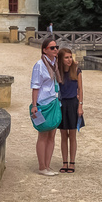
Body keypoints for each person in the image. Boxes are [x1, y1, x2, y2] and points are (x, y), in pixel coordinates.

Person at [30, 38, 64, 175]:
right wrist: (34, 105)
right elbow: (35, 86)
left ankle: (47, 166)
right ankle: (42, 167)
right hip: (43, 103)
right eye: (52, 48)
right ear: (44, 50)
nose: (55, 49)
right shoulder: (40, 65)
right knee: (43, 135)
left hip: (54, 101)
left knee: (52, 135)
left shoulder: (55, 63)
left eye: (56, 47)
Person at [56, 47, 85, 173]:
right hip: (62, 104)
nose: (69, 60)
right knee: (63, 135)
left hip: (73, 103)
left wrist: (80, 106)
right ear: (61, 59)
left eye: (70, 57)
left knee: (72, 135)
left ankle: (72, 162)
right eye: (66, 58)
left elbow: (80, 89)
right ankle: (64, 162)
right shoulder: (58, 72)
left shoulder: (76, 71)